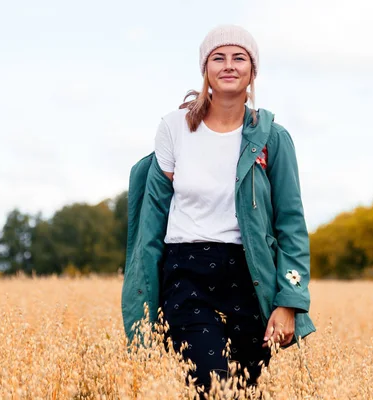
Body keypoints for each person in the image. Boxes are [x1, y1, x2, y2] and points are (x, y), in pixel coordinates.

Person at [121, 25, 315, 391]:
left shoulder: (272, 137)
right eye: (218, 58)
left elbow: (291, 225)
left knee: (244, 391)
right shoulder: (174, 127)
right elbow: (151, 221)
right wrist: (142, 302)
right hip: (186, 275)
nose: (229, 65)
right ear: (205, 69)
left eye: (239, 58)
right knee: (212, 386)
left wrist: (289, 302)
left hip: (250, 278)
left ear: (252, 71)